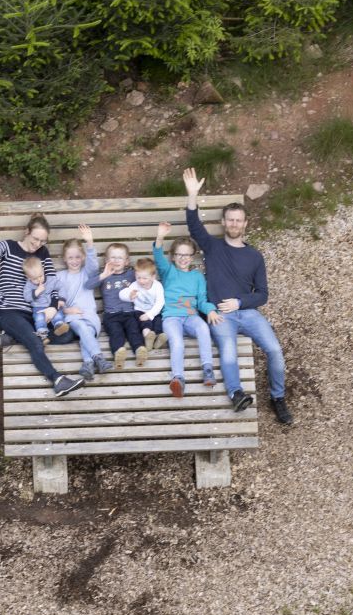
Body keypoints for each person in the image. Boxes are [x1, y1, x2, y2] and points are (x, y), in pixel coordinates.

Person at [183, 167, 293, 424]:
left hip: (247, 312)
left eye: (238, 220)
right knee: (228, 352)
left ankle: (278, 397)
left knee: (275, 350)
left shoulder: (254, 256)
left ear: (245, 224)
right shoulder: (212, 247)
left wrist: (241, 301)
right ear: (223, 223)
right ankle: (236, 393)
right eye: (229, 219)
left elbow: (263, 294)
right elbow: (194, 226)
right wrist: (191, 196)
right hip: (221, 314)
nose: (233, 224)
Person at [0, 202, 84, 396]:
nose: (37, 244)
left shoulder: (43, 254)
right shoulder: (9, 247)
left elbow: (53, 283)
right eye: (35, 238)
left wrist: (54, 307)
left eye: (42, 241)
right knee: (36, 343)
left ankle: (12, 337)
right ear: (26, 232)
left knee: (67, 334)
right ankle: (57, 380)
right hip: (9, 311)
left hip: (35, 313)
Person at [152, 226, 222, 396]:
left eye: (187, 255)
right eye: (179, 255)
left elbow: (202, 301)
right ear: (173, 256)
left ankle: (207, 369)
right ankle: (178, 378)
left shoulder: (197, 276)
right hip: (171, 318)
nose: (183, 258)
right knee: (177, 343)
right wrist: (160, 237)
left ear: (193, 256)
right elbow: (158, 257)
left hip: (191, 317)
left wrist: (211, 310)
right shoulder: (168, 271)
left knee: (203, 328)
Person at [52, 226, 114, 382]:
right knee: (81, 327)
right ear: (64, 259)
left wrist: (90, 243)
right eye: (71, 258)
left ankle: (88, 364)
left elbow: (93, 265)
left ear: (83, 257)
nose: (74, 261)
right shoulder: (60, 277)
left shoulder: (87, 273)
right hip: (73, 317)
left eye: (78, 257)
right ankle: (98, 357)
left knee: (86, 333)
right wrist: (67, 311)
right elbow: (56, 300)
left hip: (91, 316)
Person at [99, 242, 148, 368]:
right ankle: (118, 352)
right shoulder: (104, 276)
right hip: (111, 315)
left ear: (126, 261)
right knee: (116, 333)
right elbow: (88, 285)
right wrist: (103, 275)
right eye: (113, 257)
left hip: (129, 313)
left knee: (134, 331)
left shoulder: (131, 275)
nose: (116, 260)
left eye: (119, 258)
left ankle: (139, 349)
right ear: (106, 260)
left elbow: (146, 275)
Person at [118, 255, 166, 351]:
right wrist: (129, 296)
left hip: (153, 311)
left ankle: (157, 340)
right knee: (145, 322)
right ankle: (147, 337)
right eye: (138, 277)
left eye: (145, 278)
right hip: (139, 311)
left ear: (153, 277)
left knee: (158, 322)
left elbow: (160, 302)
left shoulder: (157, 286)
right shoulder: (135, 285)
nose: (141, 281)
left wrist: (150, 314)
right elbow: (121, 294)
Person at [21, 255, 57, 339]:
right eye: (35, 278)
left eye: (40, 276)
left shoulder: (48, 280)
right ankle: (42, 335)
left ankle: (59, 325)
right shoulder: (29, 285)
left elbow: (58, 287)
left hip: (50, 306)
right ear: (28, 278)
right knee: (39, 319)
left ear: (43, 270)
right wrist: (37, 292)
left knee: (58, 314)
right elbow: (27, 297)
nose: (39, 280)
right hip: (38, 308)